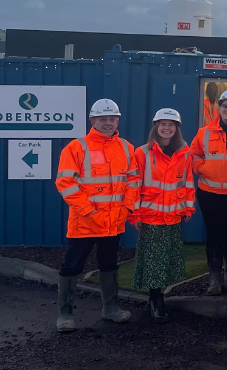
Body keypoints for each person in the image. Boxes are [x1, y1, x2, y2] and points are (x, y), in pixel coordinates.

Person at [53, 98, 139, 332]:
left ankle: (110, 308)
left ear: (118, 120)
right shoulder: (76, 147)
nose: (108, 123)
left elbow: (133, 180)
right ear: (92, 120)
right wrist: (90, 211)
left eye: (112, 118)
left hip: (113, 222)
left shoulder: (126, 147)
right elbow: (65, 183)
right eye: (103, 119)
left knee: (109, 264)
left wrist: (127, 209)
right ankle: (65, 313)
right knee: (72, 265)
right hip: (84, 222)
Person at [130, 108, 195, 323]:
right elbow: (133, 186)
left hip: (174, 217)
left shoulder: (184, 154)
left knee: (166, 261)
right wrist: (134, 214)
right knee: (153, 262)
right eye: (162, 124)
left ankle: (156, 298)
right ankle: (156, 301)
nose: (167, 128)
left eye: (171, 124)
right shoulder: (142, 153)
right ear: (155, 127)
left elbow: (187, 183)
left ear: (177, 128)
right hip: (151, 217)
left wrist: (188, 208)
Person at [188, 87, 227, 295]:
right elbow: (193, 155)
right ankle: (214, 278)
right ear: (219, 107)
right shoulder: (204, 132)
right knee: (213, 234)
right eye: (225, 105)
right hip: (209, 192)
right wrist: (203, 168)